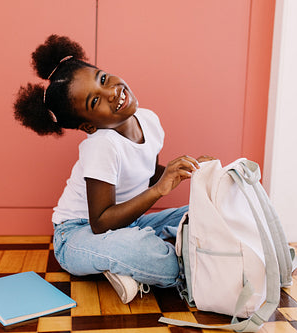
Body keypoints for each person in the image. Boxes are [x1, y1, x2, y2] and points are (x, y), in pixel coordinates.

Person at [14, 35, 212, 304]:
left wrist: (191, 171)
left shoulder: (149, 120)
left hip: (127, 221)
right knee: (148, 255)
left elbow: (149, 172)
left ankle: (125, 266)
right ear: (89, 126)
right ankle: (147, 262)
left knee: (200, 214)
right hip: (77, 234)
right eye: (95, 102)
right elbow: (101, 222)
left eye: (103, 79)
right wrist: (159, 190)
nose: (111, 93)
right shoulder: (102, 145)